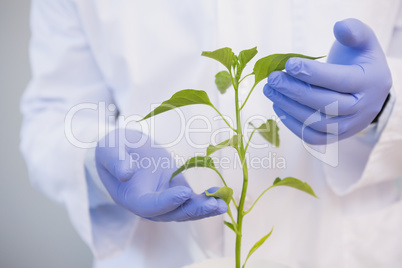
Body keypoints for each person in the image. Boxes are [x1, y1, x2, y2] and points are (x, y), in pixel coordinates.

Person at [21, 0, 402, 267]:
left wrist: (384, 107)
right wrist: (95, 155)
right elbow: (52, 115)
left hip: (340, 249)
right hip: (164, 255)